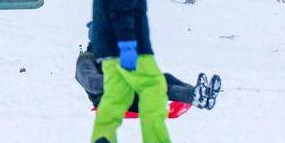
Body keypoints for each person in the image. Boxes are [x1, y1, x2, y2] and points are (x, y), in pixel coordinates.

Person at [90, 0, 175, 143]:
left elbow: (102, 7)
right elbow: (122, 11)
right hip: (128, 46)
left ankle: (103, 138)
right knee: (154, 86)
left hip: (106, 46)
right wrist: (128, 46)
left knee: (117, 94)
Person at [75, 47, 219, 116]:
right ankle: (194, 96)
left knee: (165, 78)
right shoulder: (86, 59)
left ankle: (200, 94)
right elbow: (92, 83)